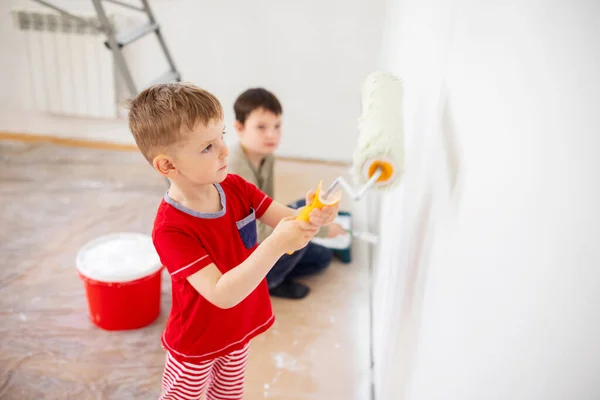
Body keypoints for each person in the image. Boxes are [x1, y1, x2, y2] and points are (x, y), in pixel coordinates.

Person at [127, 83, 339, 400]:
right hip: (196, 344)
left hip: (238, 328)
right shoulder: (171, 230)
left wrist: (315, 213)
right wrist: (277, 243)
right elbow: (220, 294)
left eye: (221, 137)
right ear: (167, 165)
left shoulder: (236, 187)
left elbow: (290, 221)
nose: (226, 150)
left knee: (228, 395)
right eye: (207, 147)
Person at [228, 88, 347, 299]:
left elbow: (267, 205)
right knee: (297, 232)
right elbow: (253, 231)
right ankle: (269, 283)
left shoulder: (267, 156)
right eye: (261, 127)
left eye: (277, 126)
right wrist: (320, 230)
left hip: (259, 231)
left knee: (322, 258)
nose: (271, 134)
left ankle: (274, 270)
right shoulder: (236, 171)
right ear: (240, 128)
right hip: (242, 247)